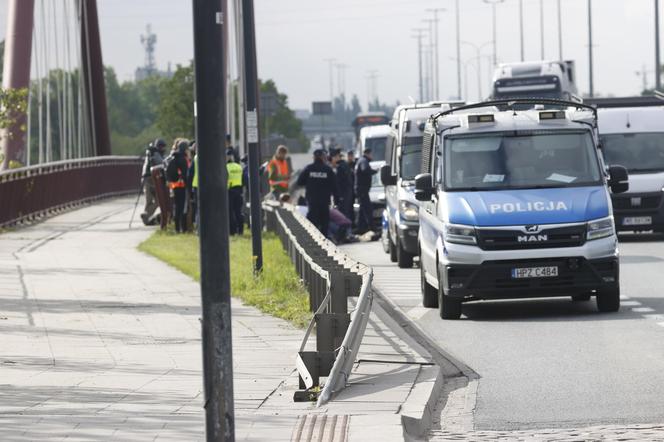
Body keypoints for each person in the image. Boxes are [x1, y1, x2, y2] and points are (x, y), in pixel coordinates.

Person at [296, 149, 337, 236]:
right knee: (324, 224)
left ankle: (313, 243)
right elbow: (335, 186)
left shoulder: (308, 168)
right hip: (324, 201)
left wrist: (310, 182)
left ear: (314, 157)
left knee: (313, 225)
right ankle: (324, 244)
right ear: (323, 157)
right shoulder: (328, 170)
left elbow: (299, 182)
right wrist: (337, 200)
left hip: (312, 201)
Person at [165, 139, 190, 233]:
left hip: (174, 186)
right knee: (182, 207)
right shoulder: (183, 159)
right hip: (182, 186)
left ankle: (176, 228)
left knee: (176, 206)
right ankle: (183, 228)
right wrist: (188, 186)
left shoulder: (173, 157)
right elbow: (185, 174)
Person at [140, 138, 166, 225]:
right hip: (153, 179)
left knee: (149, 200)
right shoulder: (156, 154)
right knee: (159, 199)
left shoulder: (149, 153)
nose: (163, 149)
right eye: (162, 147)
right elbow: (162, 164)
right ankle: (146, 215)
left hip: (145, 178)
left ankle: (146, 217)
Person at [355, 147, 378, 233]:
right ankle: (372, 228)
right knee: (368, 209)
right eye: (371, 154)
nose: (372, 156)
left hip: (361, 189)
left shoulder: (361, 160)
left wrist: (374, 171)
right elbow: (365, 170)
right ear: (368, 154)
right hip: (362, 190)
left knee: (362, 210)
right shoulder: (364, 161)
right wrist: (372, 172)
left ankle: (361, 228)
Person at [330, 148, 354, 222]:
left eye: (333, 158)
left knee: (343, 214)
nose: (332, 160)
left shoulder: (340, 167)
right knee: (346, 212)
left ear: (336, 157)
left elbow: (338, 183)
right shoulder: (344, 165)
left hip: (343, 194)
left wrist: (338, 196)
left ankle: (346, 231)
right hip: (347, 193)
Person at [227, 148, 244, 235]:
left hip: (230, 191)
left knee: (230, 212)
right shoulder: (239, 167)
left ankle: (232, 231)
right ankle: (240, 230)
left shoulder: (226, 167)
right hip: (239, 190)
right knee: (238, 211)